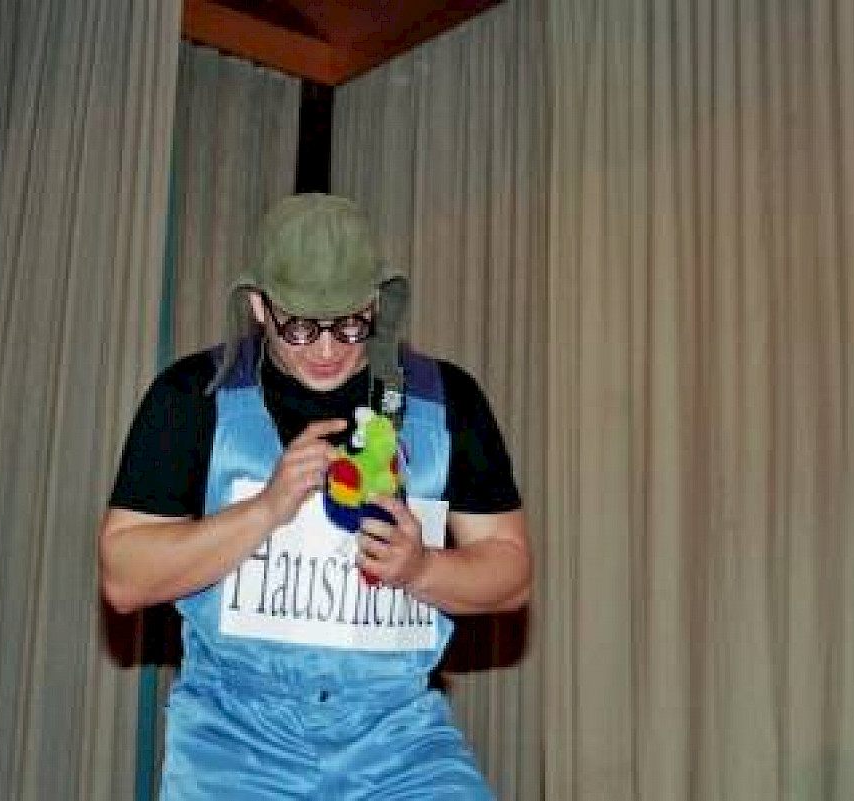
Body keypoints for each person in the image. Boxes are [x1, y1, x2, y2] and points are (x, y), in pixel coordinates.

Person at [100, 193, 531, 800]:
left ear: (377, 303)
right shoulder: (192, 397)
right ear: (259, 306)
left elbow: (511, 575)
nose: (327, 350)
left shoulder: (444, 400)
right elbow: (124, 577)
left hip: (397, 743)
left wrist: (423, 569)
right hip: (234, 745)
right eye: (299, 327)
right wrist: (265, 510)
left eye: (349, 324)